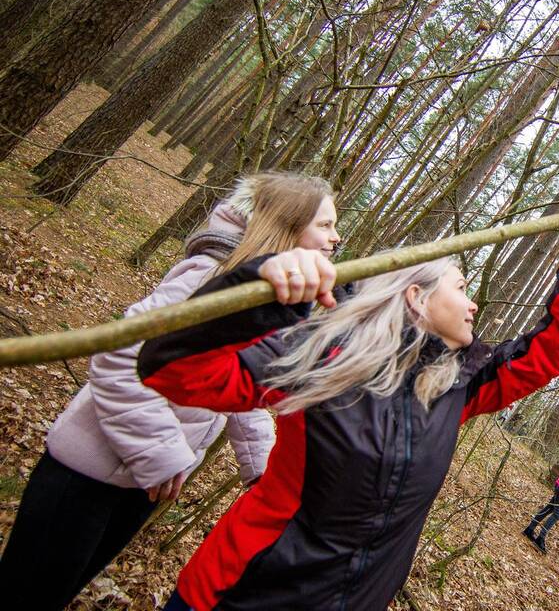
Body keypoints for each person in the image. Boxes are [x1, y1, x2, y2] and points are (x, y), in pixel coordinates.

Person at [137, 202, 559, 611]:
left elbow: (547, 353)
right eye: (462, 289)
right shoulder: (324, 355)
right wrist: (255, 288)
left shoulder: (455, 384)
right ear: (416, 297)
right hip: (239, 597)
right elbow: (173, 372)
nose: (474, 305)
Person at [0, 172, 340, 611]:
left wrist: (258, 463)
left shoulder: (257, 296)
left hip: (141, 483)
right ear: (288, 224)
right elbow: (120, 355)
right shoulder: (210, 277)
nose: (335, 238)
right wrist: (162, 457)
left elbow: (236, 380)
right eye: (325, 225)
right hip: (88, 475)